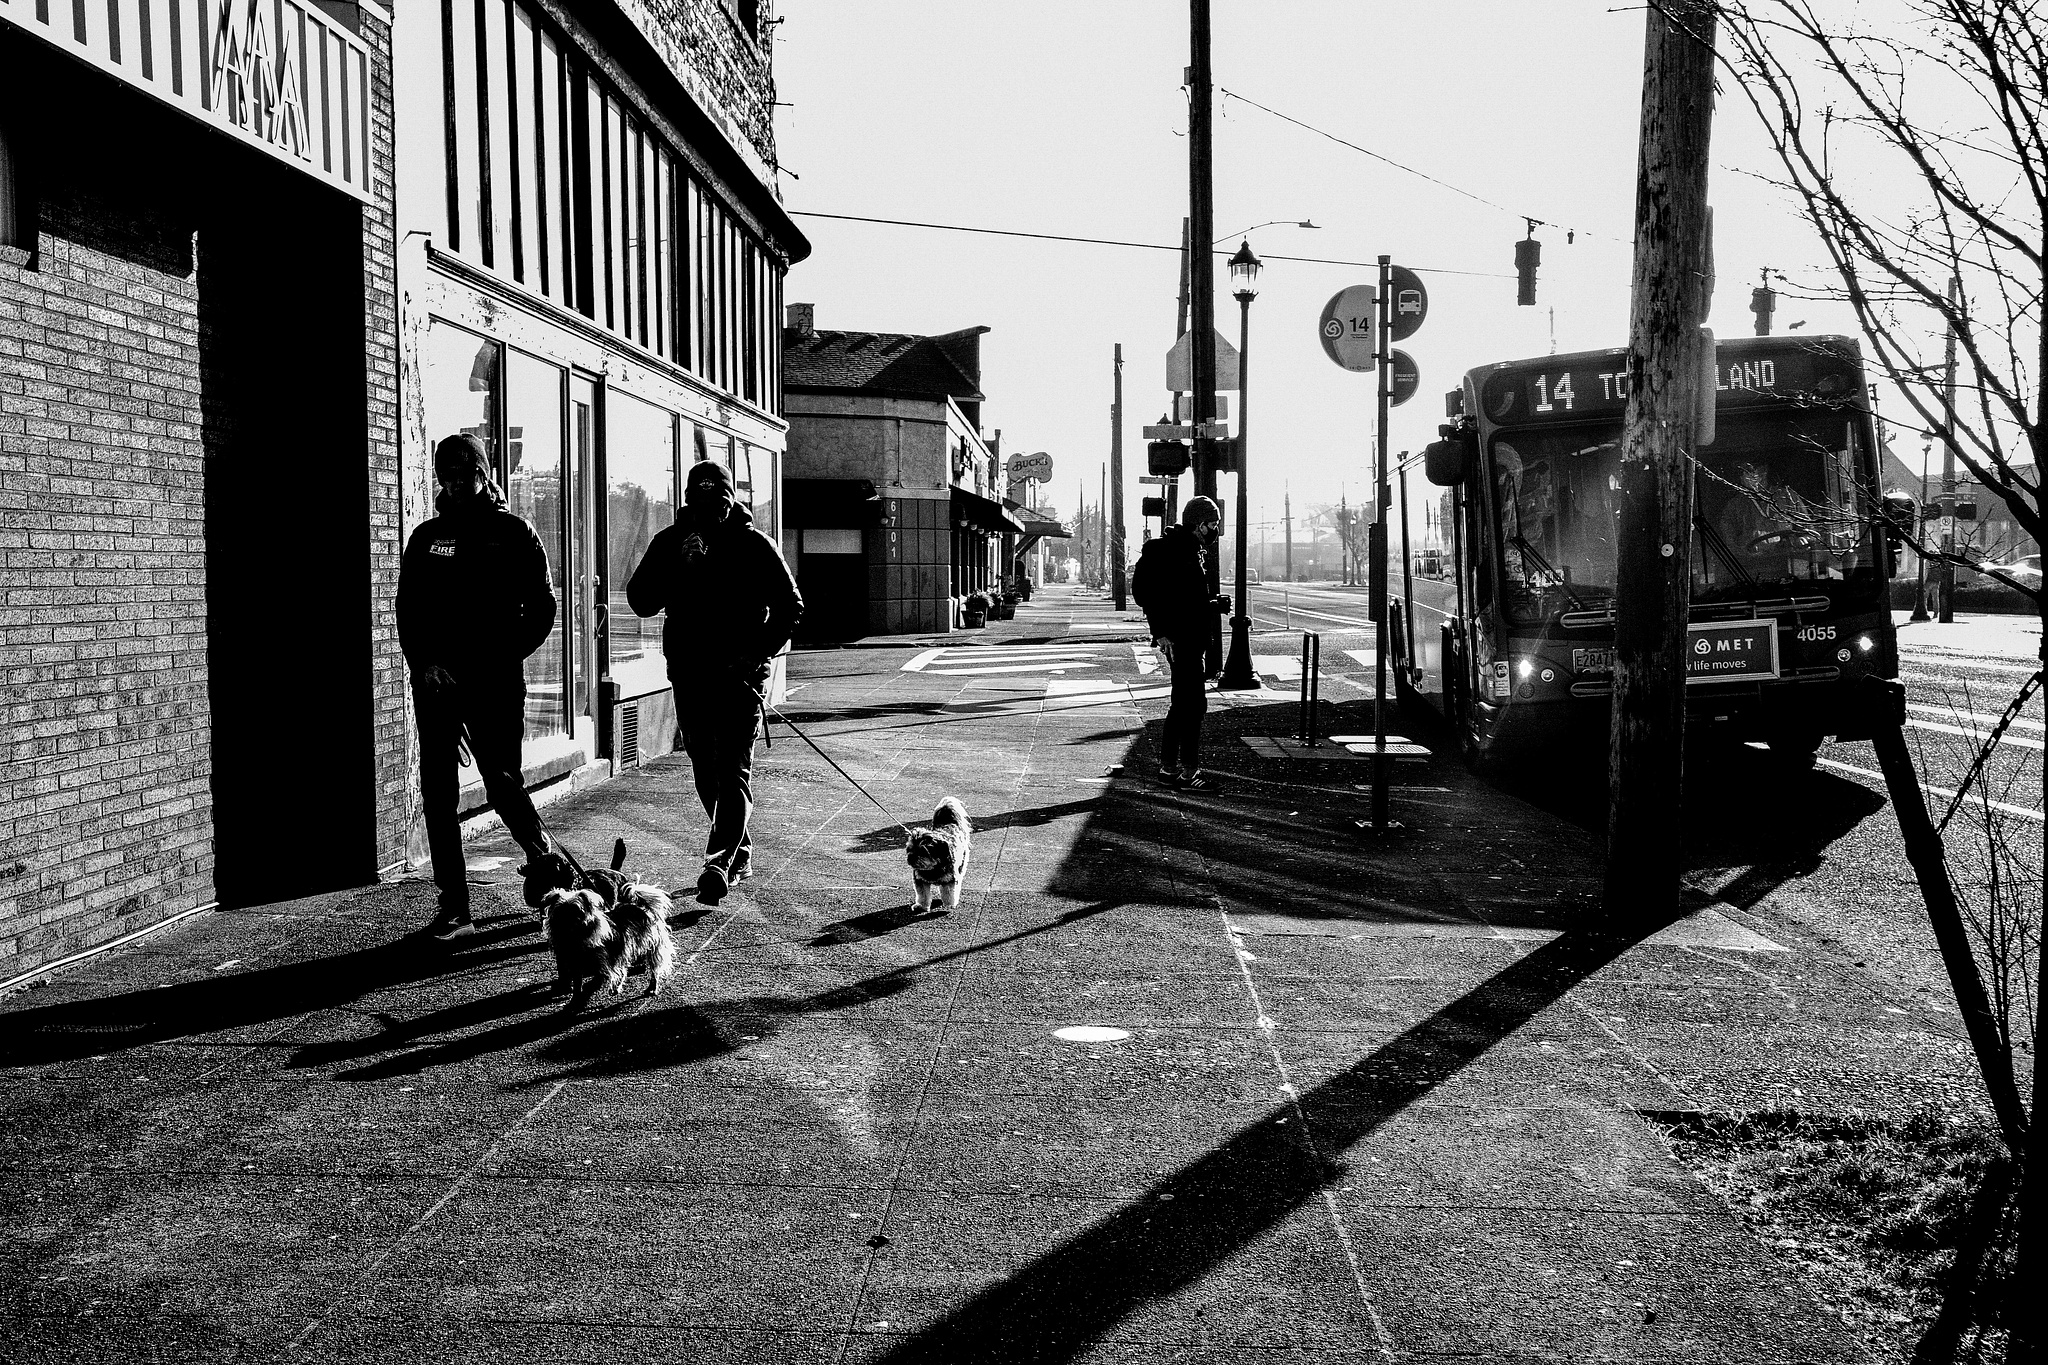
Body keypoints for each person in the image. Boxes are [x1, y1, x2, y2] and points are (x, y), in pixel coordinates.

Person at [396, 433, 561, 935]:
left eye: (466, 476)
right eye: (447, 477)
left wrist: (499, 656)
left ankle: (543, 859)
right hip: (439, 685)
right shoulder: (426, 539)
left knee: (501, 782)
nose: (457, 485)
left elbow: (543, 610)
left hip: (495, 682)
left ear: (484, 474)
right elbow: (408, 612)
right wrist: (424, 663)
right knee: (438, 793)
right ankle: (454, 906)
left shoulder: (515, 534)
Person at [628, 460, 803, 905]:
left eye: (720, 503)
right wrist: (676, 568)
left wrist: (754, 654)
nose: (711, 512)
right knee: (705, 769)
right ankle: (737, 849)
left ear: (732, 500)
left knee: (732, 769)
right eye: (701, 503)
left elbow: (790, 605)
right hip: (689, 672)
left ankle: (718, 861)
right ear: (689, 503)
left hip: (739, 677)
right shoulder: (670, 542)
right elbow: (640, 600)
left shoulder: (753, 545)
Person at [1132, 496, 1230, 788]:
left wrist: (1212, 604)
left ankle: (1174, 768)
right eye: (1212, 524)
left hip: (1187, 635)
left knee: (1185, 703)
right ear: (1199, 525)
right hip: (1181, 637)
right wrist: (1161, 631)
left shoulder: (1190, 550)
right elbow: (1148, 594)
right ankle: (1184, 769)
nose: (1214, 530)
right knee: (1191, 704)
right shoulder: (1174, 551)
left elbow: (1184, 599)